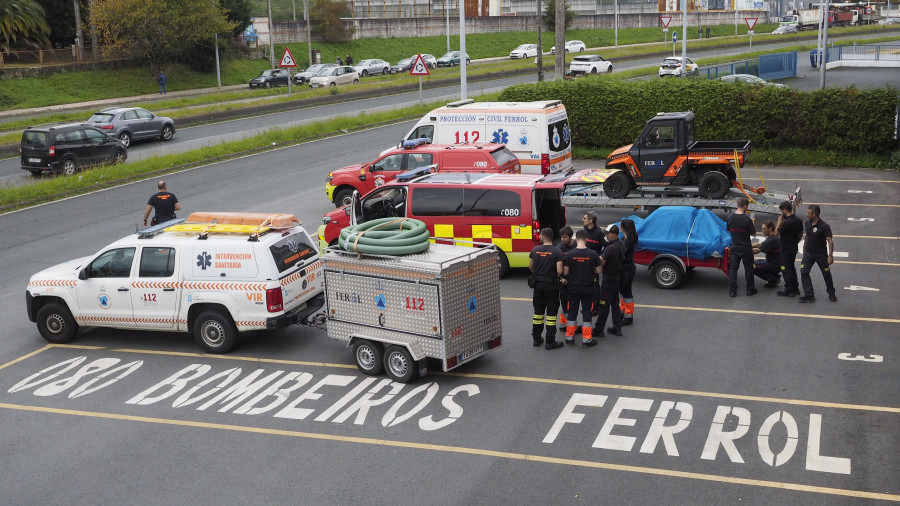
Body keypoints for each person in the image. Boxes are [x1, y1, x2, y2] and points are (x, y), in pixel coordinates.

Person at [563, 230, 602, 348]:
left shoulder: (569, 254)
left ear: (576, 239)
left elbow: (565, 271)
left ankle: (569, 338)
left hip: (573, 288)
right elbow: (599, 270)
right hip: (588, 289)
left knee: (572, 313)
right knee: (587, 313)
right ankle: (586, 340)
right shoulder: (593, 254)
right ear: (586, 239)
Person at [529, 228, 565, 350]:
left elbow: (530, 266)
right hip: (552, 286)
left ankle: (536, 339)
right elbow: (560, 270)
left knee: (538, 313)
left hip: (538, 285)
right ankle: (550, 342)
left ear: (543, 236)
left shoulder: (535, 250)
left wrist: (538, 274)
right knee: (551, 315)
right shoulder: (557, 251)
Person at [799, 205, 837, 302]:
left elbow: (830, 241)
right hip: (809, 254)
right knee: (804, 271)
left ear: (814, 214)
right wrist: (804, 248)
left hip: (821, 255)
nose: (806, 214)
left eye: (808, 213)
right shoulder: (807, 223)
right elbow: (807, 236)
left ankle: (831, 293)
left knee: (826, 274)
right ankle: (809, 294)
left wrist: (830, 255)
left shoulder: (825, 226)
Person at [596, 225, 625, 337]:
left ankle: (599, 329)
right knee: (614, 304)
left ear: (614, 234)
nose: (606, 236)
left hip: (608, 280)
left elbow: (601, 262)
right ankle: (617, 327)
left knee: (604, 305)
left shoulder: (610, 248)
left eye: (608, 234)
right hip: (617, 278)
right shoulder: (621, 244)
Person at [726, 198, 757, 297]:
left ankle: (732, 290)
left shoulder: (730, 218)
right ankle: (750, 289)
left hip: (735, 246)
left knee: (733, 269)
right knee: (748, 268)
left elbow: (728, 229)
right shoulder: (747, 219)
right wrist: (752, 223)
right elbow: (753, 233)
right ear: (745, 206)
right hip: (746, 248)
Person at [776, 201, 804, 297]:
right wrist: (796, 241)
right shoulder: (798, 220)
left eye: (781, 211)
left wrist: (779, 222)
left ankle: (789, 289)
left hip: (785, 249)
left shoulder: (785, 223)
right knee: (791, 267)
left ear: (784, 210)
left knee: (785, 268)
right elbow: (801, 233)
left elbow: (776, 233)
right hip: (793, 247)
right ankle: (795, 288)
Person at [556, 226, 577, 332]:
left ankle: (571, 321)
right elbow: (557, 265)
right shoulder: (560, 248)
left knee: (573, 301)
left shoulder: (577, 245)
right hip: (563, 280)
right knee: (564, 301)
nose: (562, 240)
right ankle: (564, 322)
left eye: (564, 237)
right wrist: (561, 278)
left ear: (570, 236)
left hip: (575, 279)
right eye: (561, 237)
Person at [618, 218, 638, 326]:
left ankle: (628, 316)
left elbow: (620, 252)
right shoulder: (628, 238)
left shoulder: (627, 241)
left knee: (626, 292)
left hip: (626, 269)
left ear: (624, 228)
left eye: (621, 226)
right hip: (627, 268)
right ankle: (623, 310)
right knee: (622, 291)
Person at [752, 221, 781, 288]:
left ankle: (773, 279)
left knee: (752, 266)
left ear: (770, 228)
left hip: (775, 265)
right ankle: (774, 276)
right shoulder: (772, 237)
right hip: (773, 262)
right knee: (755, 262)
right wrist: (745, 246)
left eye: (764, 229)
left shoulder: (772, 240)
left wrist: (742, 250)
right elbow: (759, 244)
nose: (762, 231)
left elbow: (757, 250)